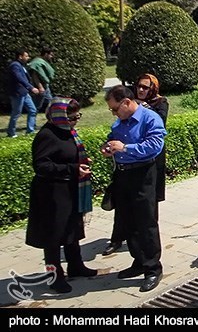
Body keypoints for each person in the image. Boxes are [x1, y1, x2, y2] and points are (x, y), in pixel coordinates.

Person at [25, 97, 97, 294]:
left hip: (69, 189)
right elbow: (41, 166)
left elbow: (66, 154)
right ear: (59, 116)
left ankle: (76, 265)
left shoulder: (67, 131)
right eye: (72, 118)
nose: (75, 121)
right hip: (52, 194)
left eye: (77, 117)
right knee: (53, 236)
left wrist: (80, 160)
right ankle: (54, 276)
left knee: (72, 229)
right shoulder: (47, 135)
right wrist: (73, 168)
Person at [101, 84, 167, 293]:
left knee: (145, 221)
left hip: (143, 174)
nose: (114, 113)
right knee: (127, 220)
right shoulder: (119, 123)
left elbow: (154, 146)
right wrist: (108, 147)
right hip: (123, 173)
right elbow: (113, 140)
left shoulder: (150, 118)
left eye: (115, 109)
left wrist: (125, 148)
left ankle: (153, 268)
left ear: (127, 102)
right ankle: (138, 261)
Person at [6, 49, 40, 138]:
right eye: (26, 56)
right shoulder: (15, 66)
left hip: (24, 93)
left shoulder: (21, 65)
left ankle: (30, 130)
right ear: (20, 56)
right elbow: (19, 78)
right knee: (16, 112)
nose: (28, 58)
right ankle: (11, 132)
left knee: (33, 110)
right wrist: (31, 87)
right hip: (17, 93)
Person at [28, 47, 55, 113]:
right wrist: (40, 87)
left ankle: (53, 121)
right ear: (46, 54)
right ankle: (32, 123)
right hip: (40, 87)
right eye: (50, 55)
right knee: (36, 107)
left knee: (51, 104)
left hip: (45, 87)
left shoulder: (43, 62)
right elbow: (35, 76)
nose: (51, 56)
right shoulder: (37, 63)